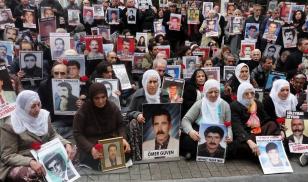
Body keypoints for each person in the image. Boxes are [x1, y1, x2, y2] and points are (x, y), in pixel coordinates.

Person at [0, 90, 73, 181]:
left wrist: (66, 143)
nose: (38, 109)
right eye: (33, 106)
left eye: (39, 104)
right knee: (31, 174)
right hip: (22, 160)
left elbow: (52, 135)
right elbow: (8, 155)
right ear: (23, 108)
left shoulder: (43, 116)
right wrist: (30, 162)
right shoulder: (11, 125)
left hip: (43, 155)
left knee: (68, 155)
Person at [73, 83, 130, 170]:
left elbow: (121, 125)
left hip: (111, 141)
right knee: (96, 160)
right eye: (97, 98)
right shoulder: (83, 112)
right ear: (91, 98)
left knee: (126, 151)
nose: (101, 101)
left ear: (107, 96)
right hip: (91, 142)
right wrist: (91, 149)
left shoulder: (112, 107)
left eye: (103, 97)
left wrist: (122, 138)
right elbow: (77, 133)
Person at [181, 79, 232, 159]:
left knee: (231, 146)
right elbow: (186, 120)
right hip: (201, 133)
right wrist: (191, 132)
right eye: (210, 92)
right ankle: (192, 152)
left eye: (216, 92)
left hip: (219, 134)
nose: (213, 95)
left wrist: (229, 135)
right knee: (188, 140)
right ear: (205, 92)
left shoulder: (225, 105)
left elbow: (228, 124)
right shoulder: (199, 104)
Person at [127, 70, 169, 161]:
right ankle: (139, 153)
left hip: (160, 125)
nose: (153, 85)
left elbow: (170, 111)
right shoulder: (138, 95)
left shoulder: (164, 94)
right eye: (150, 82)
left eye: (155, 82)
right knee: (133, 123)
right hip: (143, 125)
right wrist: (137, 115)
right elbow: (129, 113)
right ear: (145, 82)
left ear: (159, 82)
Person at [230, 82, 280, 158]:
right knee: (242, 147)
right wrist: (249, 141)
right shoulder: (234, 106)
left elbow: (266, 119)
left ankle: (267, 147)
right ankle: (262, 152)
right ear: (240, 94)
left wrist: (280, 131)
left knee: (272, 124)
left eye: (252, 93)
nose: (250, 96)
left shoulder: (257, 104)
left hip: (257, 132)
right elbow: (237, 127)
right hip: (244, 136)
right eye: (246, 94)